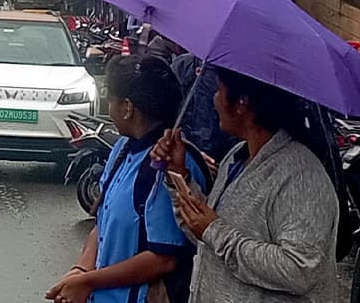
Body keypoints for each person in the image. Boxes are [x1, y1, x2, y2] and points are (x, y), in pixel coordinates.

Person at [153, 67, 340, 303]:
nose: (214, 99)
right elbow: (205, 235)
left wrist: (214, 232)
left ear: (242, 103)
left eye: (219, 90)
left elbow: (301, 269)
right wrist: (177, 174)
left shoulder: (300, 176)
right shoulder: (236, 158)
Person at [47, 55, 208, 303]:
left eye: (110, 99)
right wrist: (81, 271)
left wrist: (90, 281)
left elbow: (163, 257)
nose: (108, 107)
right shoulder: (123, 148)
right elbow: (102, 223)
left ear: (127, 107)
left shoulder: (170, 164)